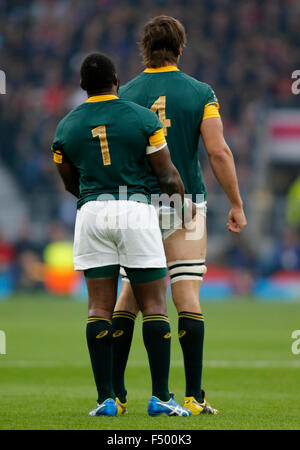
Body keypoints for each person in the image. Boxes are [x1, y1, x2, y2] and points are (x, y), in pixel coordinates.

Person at [112, 16, 247, 415]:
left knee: (131, 296)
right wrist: (237, 203)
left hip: (134, 202)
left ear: (145, 50)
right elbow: (218, 151)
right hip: (182, 203)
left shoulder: (125, 94)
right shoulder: (200, 92)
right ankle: (193, 396)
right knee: (186, 292)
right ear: (180, 49)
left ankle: (115, 396)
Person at [51, 52, 192, 417]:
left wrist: (96, 197)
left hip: (91, 212)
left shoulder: (65, 128)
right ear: (116, 80)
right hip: (135, 209)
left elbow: (71, 183)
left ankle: (106, 400)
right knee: (154, 306)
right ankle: (161, 396)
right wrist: (182, 207)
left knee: (99, 306)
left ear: (82, 86)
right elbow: (166, 175)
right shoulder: (142, 118)